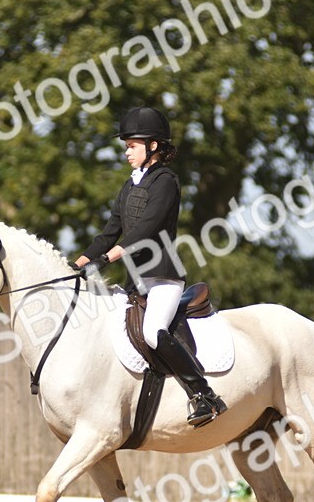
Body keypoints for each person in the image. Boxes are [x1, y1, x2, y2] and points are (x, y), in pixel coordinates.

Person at [74, 106, 228, 427]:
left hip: (163, 279)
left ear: (153, 146)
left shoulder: (166, 182)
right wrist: (79, 263)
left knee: (153, 332)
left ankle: (204, 394)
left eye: (132, 145)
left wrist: (109, 259)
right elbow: (109, 232)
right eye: (126, 146)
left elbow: (146, 229)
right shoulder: (129, 186)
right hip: (136, 282)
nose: (126, 151)